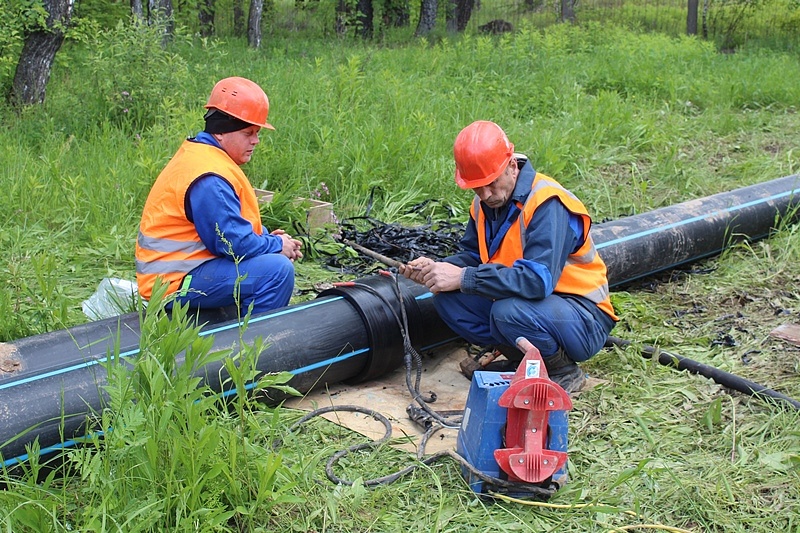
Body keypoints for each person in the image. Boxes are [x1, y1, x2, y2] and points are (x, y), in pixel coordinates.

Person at [400, 120, 618, 393]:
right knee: (450, 301)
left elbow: (538, 281)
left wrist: (464, 277)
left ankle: (563, 370)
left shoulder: (547, 203)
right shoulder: (484, 205)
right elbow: (473, 256)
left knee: (507, 312)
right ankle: (524, 362)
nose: (485, 195)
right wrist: (438, 268)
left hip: (583, 317)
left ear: (512, 167)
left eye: (490, 184)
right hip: (537, 307)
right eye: (476, 187)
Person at [135, 76, 302, 316]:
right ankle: (254, 347)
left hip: (182, 272)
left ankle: (235, 325)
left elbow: (231, 226)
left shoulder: (204, 157)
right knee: (277, 271)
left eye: (257, 132)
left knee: (272, 262)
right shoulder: (210, 177)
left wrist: (267, 239)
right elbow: (234, 244)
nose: (256, 140)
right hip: (171, 285)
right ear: (222, 132)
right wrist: (276, 246)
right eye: (248, 133)